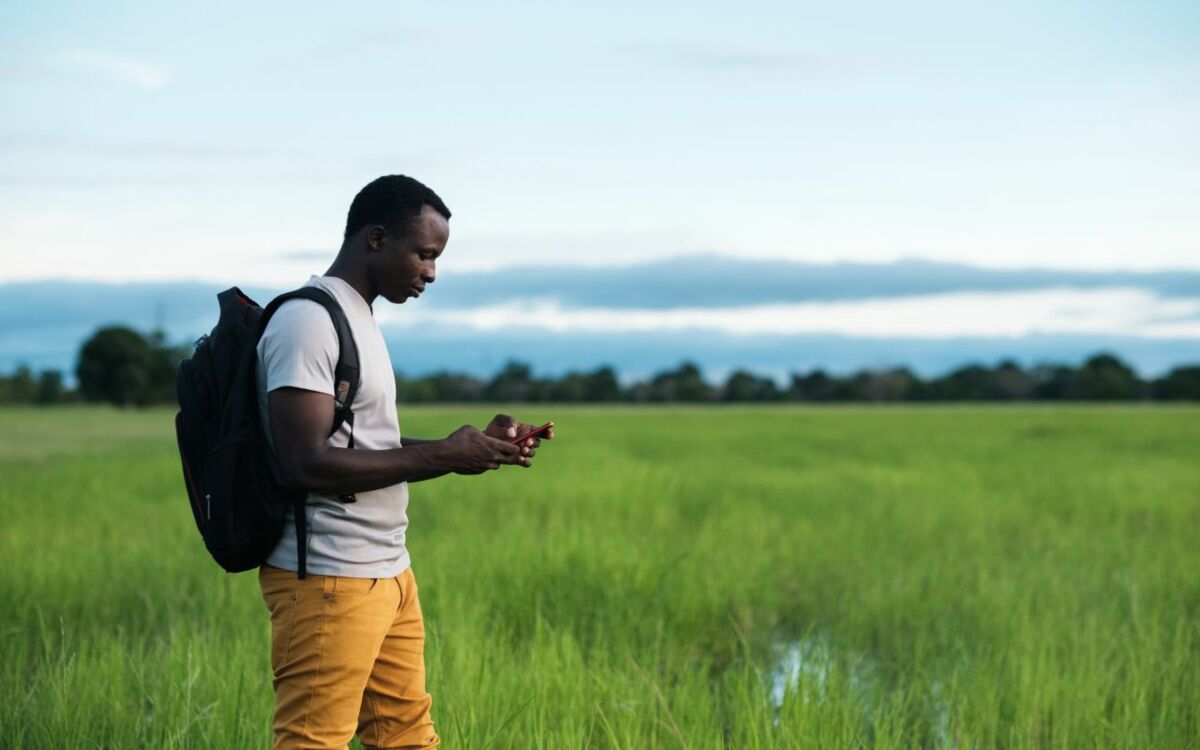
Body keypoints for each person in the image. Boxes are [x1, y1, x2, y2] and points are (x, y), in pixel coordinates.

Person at [255, 174, 551, 749]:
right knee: (313, 740)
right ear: (376, 239)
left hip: (388, 569)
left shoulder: (358, 318)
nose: (431, 273)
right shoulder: (308, 321)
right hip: (331, 577)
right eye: (424, 254)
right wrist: (444, 453)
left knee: (406, 737)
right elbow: (304, 463)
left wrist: (467, 448)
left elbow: (364, 442)